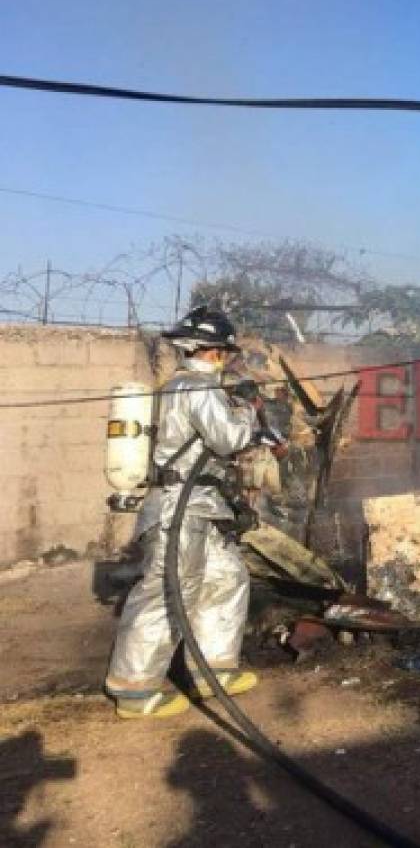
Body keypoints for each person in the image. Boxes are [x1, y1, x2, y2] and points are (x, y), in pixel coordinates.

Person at [104, 306, 261, 719]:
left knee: (228, 576)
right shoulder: (197, 386)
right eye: (225, 353)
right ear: (213, 352)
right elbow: (229, 439)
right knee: (166, 593)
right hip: (180, 509)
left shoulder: (182, 385)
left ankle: (212, 667)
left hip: (201, 507)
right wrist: (247, 409)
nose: (227, 360)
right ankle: (134, 690)